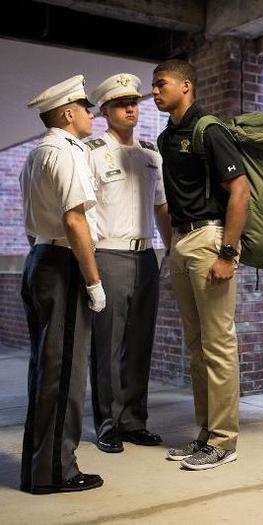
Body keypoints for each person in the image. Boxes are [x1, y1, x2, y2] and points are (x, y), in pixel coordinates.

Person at [153, 59, 250, 470]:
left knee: (219, 344)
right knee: (197, 348)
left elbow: (240, 191)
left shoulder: (209, 128)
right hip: (182, 240)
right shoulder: (165, 137)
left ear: (186, 85)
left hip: (211, 238)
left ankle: (224, 441)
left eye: (161, 84)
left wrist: (227, 254)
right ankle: (205, 434)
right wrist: (173, 244)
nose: (154, 92)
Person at [19, 75, 106, 494]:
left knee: (45, 370)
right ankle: (58, 472)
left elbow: (33, 226)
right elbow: (75, 221)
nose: (92, 113)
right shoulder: (68, 153)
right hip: (63, 265)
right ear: (68, 113)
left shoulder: (36, 154)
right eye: (86, 107)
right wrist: (93, 281)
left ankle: (37, 468)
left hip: (39, 260)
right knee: (65, 373)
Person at [86, 73, 172, 454]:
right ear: (105, 110)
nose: (132, 108)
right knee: (108, 342)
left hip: (146, 255)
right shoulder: (92, 152)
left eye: (135, 101)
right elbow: (82, 212)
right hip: (108, 253)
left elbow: (162, 208)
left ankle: (134, 420)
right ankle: (107, 423)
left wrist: (172, 252)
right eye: (122, 103)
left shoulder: (152, 156)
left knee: (140, 342)